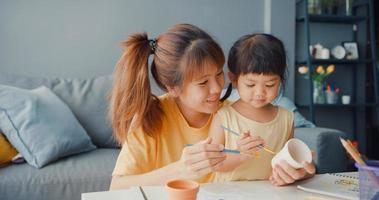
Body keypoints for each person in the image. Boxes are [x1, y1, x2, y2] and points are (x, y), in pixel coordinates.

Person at [108, 24, 228, 190]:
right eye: (203, 82)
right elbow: (116, 188)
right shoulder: (150, 117)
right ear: (173, 88)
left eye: (219, 74)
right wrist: (180, 170)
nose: (217, 88)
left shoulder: (236, 113)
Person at [208, 33, 315, 185]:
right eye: (251, 85)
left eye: (270, 85)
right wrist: (241, 155)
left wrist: (300, 166)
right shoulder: (224, 116)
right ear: (234, 79)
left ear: (280, 81)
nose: (260, 93)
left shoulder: (286, 118)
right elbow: (214, 164)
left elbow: (286, 161)